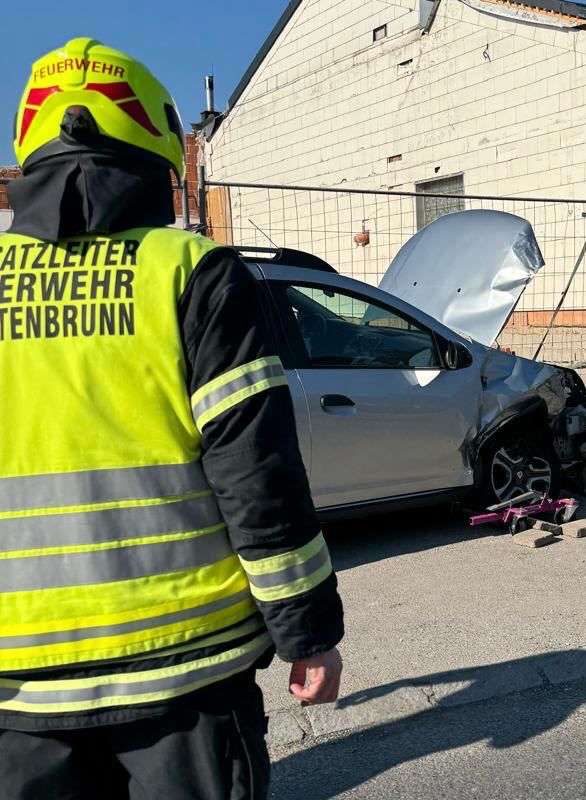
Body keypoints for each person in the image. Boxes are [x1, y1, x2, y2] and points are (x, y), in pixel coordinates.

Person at [0, 39, 344, 800]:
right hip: (187, 677)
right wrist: (308, 632)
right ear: (157, 145)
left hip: (17, 692)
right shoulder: (191, 272)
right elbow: (254, 472)